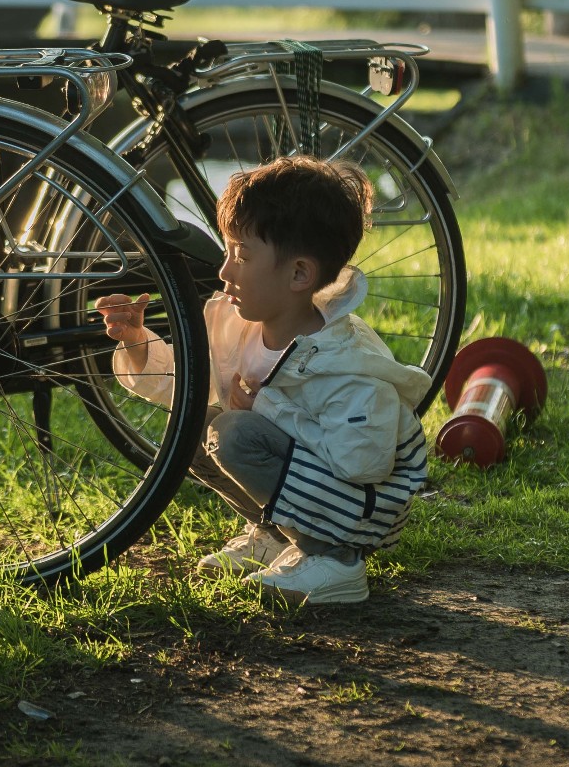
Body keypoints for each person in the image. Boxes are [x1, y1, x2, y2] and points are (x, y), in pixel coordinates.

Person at [97, 156, 431, 604]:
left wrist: (265, 410)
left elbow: (364, 464)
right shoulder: (243, 327)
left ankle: (335, 562)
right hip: (317, 492)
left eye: (243, 255)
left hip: (364, 510)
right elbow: (188, 381)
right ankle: (276, 534)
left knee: (234, 434)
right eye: (229, 250)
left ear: (299, 274)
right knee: (197, 422)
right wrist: (138, 340)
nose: (225, 270)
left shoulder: (345, 363)